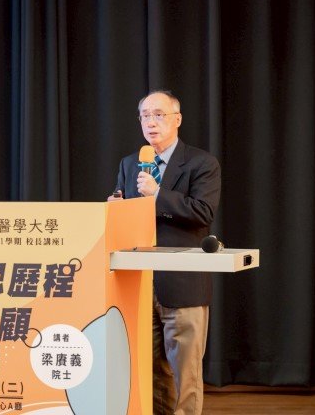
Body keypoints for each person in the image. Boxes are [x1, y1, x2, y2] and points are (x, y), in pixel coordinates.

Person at [107, 90, 221, 415]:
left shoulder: (201, 163)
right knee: (152, 373)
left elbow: (203, 212)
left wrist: (158, 194)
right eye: (145, 116)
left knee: (186, 375)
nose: (151, 122)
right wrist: (114, 208)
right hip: (139, 284)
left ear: (177, 119)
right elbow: (123, 213)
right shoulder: (130, 163)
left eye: (159, 115)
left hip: (182, 285)